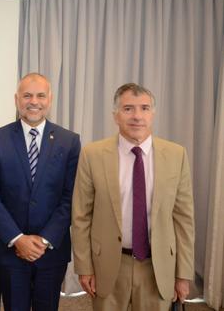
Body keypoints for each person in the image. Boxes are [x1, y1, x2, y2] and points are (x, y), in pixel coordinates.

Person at [71, 83, 195, 311]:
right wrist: (84, 267)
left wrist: (183, 274)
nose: (137, 116)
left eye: (144, 108)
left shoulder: (176, 155)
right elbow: (81, 216)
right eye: (128, 109)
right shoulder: (93, 154)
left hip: (157, 268)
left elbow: (184, 219)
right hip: (108, 265)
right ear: (115, 115)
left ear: (153, 114)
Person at [0, 73, 81, 310]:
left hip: (52, 252)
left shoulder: (69, 141)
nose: (33, 101)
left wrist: (44, 239)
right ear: (17, 100)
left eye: (40, 95)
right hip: (10, 251)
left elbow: (71, 196)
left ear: (50, 99)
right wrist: (17, 239)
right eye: (27, 95)